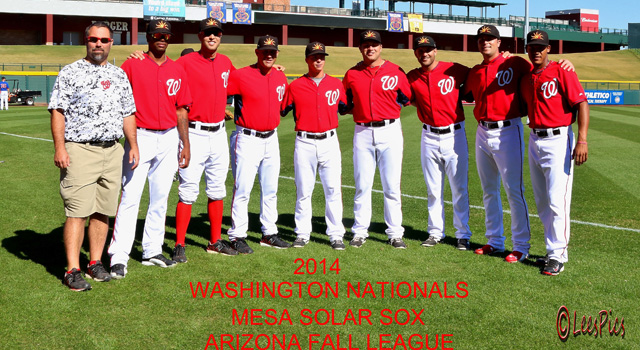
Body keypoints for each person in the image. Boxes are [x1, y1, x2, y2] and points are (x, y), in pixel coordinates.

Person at [466, 25, 574, 263]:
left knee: (514, 191)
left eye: (490, 39)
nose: (486, 42)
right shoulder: (474, 72)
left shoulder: (515, 63)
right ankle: (495, 240)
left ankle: (521, 245)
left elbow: (541, 67)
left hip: (508, 130)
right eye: (482, 39)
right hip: (482, 131)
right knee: (488, 190)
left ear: (498, 42)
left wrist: (564, 62)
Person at [49, 21, 138, 291]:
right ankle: (72, 269)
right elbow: (58, 111)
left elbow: (128, 113)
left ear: (111, 44)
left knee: (103, 210)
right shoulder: (71, 72)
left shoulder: (119, 75)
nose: (98, 43)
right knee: (77, 211)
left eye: (104, 40)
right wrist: (60, 147)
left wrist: (132, 145)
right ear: (86, 41)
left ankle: (95, 262)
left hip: (112, 150)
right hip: (80, 149)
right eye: (93, 39)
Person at [107, 20, 192, 278]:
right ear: (148, 37)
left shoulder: (177, 69)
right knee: (130, 196)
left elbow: (181, 109)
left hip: (168, 137)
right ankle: (118, 256)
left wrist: (185, 143)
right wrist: (129, 141)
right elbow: (119, 103)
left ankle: (152, 250)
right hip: (139, 136)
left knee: (160, 196)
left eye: (166, 35)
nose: (162, 39)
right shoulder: (132, 64)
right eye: (157, 34)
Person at [520, 30, 589, 275]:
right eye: (532, 46)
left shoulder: (562, 70)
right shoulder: (527, 76)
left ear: (549, 48)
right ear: (526, 49)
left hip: (559, 139)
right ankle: (552, 250)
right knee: (542, 202)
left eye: (541, 46)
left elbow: (581, 103)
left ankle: (557, 254)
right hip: (535, 139)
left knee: (557, 201)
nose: (536, 50)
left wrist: (582, 140)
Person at [172, 18, 239, 261]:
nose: (212, 37)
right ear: (200, 36)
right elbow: (164, 69)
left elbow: (237, 84)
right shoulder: (186, 62)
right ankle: (179, 243)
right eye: (208, 33)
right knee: (188, 190)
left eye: (216, 33)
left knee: (217, 188)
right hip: (194, 132)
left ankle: (215, 241)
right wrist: (141, 55)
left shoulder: (225, 62)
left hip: (219, 132)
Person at [342, 30, 411, 249]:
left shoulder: (396, 71)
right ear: (360, 48)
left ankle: (395, 233)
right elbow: (344, 104)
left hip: (390, 130)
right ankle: (360, 231)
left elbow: (407, 98)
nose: (370, 48)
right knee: (363, 184)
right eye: (366, 45)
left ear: (381, 47)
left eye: (374, 44)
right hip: (362, 131)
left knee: (391, 185)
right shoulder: (352, 73)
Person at [406, 35, 472, 251]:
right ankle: (435, 232)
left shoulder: (455, 69)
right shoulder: (412, 76)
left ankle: (462, 234)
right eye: (420, 50)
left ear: (435, 51)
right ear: (416, 53)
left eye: (428, 49)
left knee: (459, 188)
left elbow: (479, 74)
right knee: (433, 188)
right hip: (429, 135)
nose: (424, 53)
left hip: (455, 134)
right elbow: (408, 97)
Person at [226, 34, 291, 253]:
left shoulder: (281, 77)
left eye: (272, 52)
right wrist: (224, 110)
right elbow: (218, 93)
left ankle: (269, 233)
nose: (269, 55)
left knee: (270, 188)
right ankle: (237, 235)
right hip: (247, 138)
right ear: (257, 52)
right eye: (265, 51)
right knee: (243, 188)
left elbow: (283, 105)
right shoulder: (241, 75)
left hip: (271, 138)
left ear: (277, 54)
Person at [281, 42, 348, 250]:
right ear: (307, 59)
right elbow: (282, 110)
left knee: (333, 189)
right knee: (304, 190)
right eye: (314, 56)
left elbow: (346, 108)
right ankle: (302, 233)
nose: (318, 60)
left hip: (329, 140)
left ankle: (336, 234)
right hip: (305, 141)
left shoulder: (336, 84)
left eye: (321, 56)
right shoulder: (296, 85)